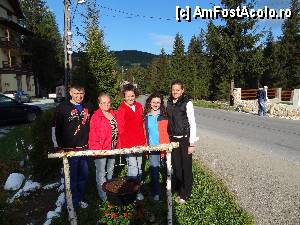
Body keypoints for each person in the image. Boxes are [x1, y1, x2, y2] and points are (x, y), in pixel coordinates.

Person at [52, 83, 93, 209]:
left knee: (83, 176)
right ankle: (70, 203)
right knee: (70, 178)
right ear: (70, 93)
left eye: (81, 93)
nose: (79, 96)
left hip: (85, 149)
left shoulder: (89, 106)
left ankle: (79, 199)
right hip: (69, 151)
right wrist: (57, 146)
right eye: (76, 93)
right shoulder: (62, 108)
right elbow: (55, 128)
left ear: (84, 94)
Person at [167, 80, 198, 204]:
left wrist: (192, 143)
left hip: (185, 139)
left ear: (182, 90)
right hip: (173, 139)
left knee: (186, 168)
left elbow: (193, 123)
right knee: (177, 167)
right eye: (173, 89)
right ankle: (180, 189)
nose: (175, 92)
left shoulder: (187, 103)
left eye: (178, 90)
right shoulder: (169, 102)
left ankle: (186, 193)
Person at [116, 83, 146, 200]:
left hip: (140, 142)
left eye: (132, 96)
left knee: (139, 167)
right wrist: (125, 146)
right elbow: (121, 129)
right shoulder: (122, 108)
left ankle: (137, 188)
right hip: (129, 144)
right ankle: (132, 192)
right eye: (127, 96)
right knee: (133, 167)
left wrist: (144, 141)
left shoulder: (139, 106)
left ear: (135, 95)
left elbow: (142, 124)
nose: (130, 98)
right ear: (124, 96)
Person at [88, 93, 118, 202]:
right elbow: (93, 135)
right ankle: (103, 197)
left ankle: (110, 192)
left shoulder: (113, 114)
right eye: (103, 103)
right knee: (101, 173)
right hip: (101, 150)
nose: (106, 104)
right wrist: (97, 150)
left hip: (113, 148)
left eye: (108, 102)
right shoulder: (96, 117)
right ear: (99, 104)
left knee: (110, 172)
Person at [144, 93, 169, 201]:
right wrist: (146, 148)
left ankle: (170, 190)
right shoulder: (146, 117)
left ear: (161, 103)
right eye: (154, 102)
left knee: (167, 170)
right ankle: (156, 192)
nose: (155, 104)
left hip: (164, 148)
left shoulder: (165, 116)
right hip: (152, 148)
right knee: (154, 171)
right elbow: (145, 133)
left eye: (158, 102)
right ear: (150, 102)